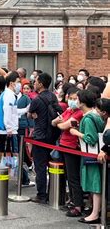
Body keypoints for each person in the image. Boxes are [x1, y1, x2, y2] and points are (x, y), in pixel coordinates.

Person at [70, 90, 105, 224]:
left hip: (91, 155)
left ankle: (95, 213)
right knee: (96, 183)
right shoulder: (95, 115)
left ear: (83, 102)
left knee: (95, 184)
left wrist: (76, 133)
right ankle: (95, 211)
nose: (75, 101)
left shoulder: (89, 118)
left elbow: (91, 138)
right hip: (96, 155)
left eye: (77, 99)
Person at [28, 72, 63, 204]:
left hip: (40, 136)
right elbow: (59, 110)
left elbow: (29, 114)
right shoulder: (53, 96)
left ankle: (41, 194)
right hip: (52, 135)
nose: (34, 83)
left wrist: (33, 115)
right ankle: (52, 192)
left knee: (40, 166)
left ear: (41, 84)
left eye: (36, 81)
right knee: (51, 165)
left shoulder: (36, 100)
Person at [52, 87, 84, 217]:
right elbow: (54, 122)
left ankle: (78, 205)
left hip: (72, 146)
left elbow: (63, 125)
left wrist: (61, 123)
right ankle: (72, 200)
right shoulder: (69, 110)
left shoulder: (79, 113)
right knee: (67, 176)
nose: (72, 101)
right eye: (70, 98)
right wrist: (60, 123)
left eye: (75, 99)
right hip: (63, 144)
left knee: (73, 177)